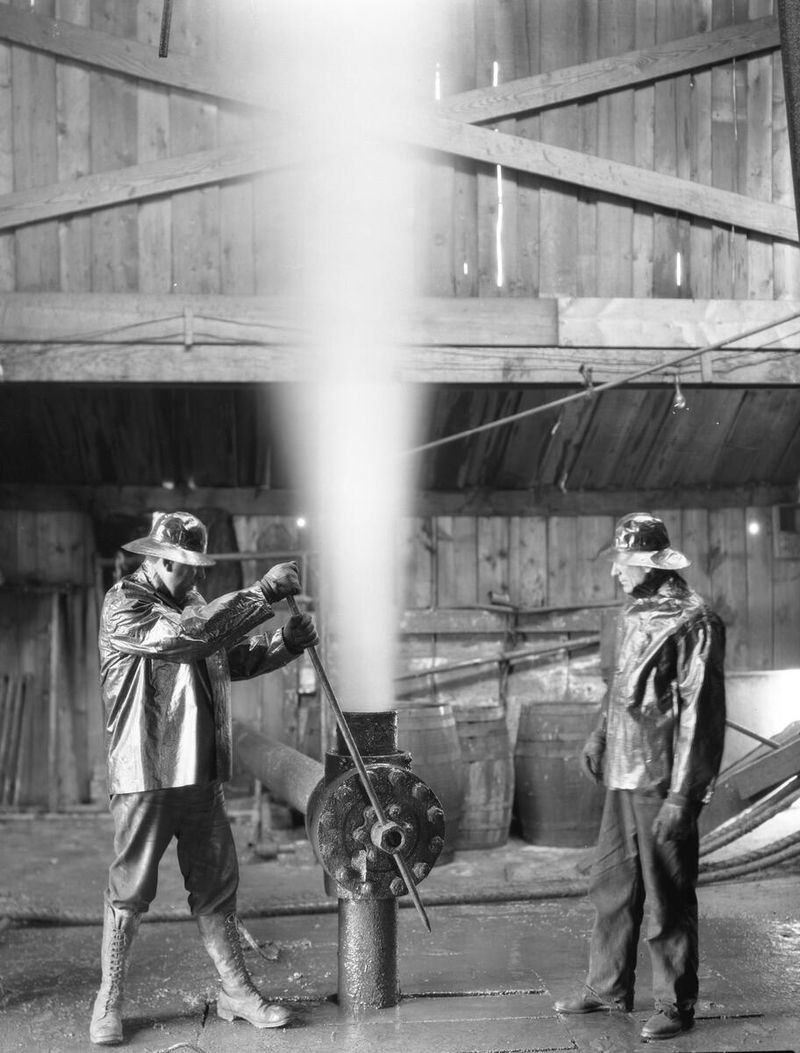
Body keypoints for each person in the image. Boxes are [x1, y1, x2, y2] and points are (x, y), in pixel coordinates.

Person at [89, 511, 319, 1046]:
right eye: (186, 569)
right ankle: (109, 1000)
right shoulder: (125, 604)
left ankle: (237, 992)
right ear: (163, 559)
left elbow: (228, 658)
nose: (194, 579)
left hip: (200, 773)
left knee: (216, 887)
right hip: (145, 772)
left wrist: (284, 643)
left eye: (196, 569)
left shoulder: (193, 602)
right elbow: (186, 639)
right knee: (131, 890)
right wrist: (260, 593)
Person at [554, 512, 726, 1042]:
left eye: (624, 564)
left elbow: (702, 712)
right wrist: (599, 736)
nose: (616, 573)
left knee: (667, 894)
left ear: (652, 563)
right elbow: (621, 685)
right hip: (624, 771)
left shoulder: (695, 619)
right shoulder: (634, 613)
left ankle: (676, 1004)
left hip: (661, 779)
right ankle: (608, 988)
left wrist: (684, 794)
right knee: (612, 884)